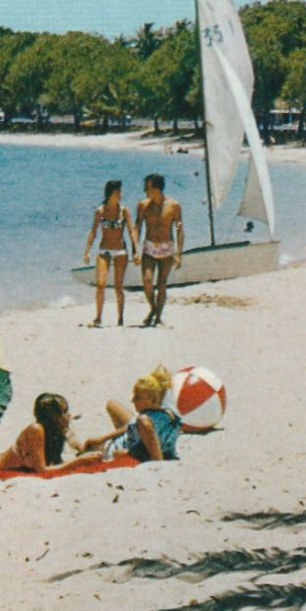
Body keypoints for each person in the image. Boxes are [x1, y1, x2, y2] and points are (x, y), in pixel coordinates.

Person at [75, 365, 181, 462]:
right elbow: (134, 426)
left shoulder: (144, 420)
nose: (132, 401)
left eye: (137, 398)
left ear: (152, 399)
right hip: (126, 438)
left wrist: (157, 462)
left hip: (116, 448)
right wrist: (103, 438)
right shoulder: (165, 413)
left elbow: (144, 446)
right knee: (112, 404)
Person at [81, 179, 139, 327]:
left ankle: (120, 319)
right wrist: (87, 252)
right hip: (104, 250)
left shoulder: (124, 211)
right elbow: (93, 232)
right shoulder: (100, 211)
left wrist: (136, 251)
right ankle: (98, 317)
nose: (121, 194)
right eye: (118, 192)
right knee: (101, 284)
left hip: (120, 251)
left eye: (120, 191)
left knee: (118, 286)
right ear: (110, 193)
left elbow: (132, 231)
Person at [135, 172, 184, 327]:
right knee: (147, 281)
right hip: (149, 248)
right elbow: (137, 228)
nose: (145, 190)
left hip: (167, 248)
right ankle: (155, 310)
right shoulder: (143, 206)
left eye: (147, 187)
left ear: (156, 188)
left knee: (162, 284)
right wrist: (135, 250)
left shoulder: (174, 206)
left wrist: (179, 253)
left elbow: (179, 228)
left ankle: (156, 316)